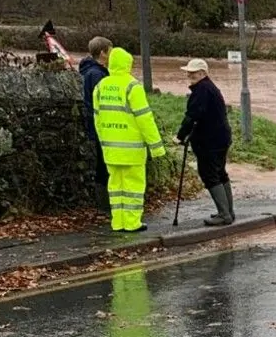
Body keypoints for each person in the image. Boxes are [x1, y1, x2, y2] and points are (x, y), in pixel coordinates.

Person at [93, 47, 167, 232]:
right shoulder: (133, 86)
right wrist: (157, 147)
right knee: (133, 187)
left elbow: (97, 119)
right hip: (132, 150)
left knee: (115, 187)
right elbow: (145, 118)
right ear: (128, 64)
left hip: (110, 149)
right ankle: (132, 223)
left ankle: (117, 222)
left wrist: (104, 143)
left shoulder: (101, 86)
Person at [174, 59, 235, 226]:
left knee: (209, 174)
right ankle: (228, 212)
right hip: (221, 138)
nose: (189, 75)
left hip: (210, 141)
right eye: (188, 72)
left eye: (193, 73)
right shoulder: (210, 88)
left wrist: (180, 136)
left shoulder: (201, 90)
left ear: (203, 73)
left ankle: (224, 215)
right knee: (220, 172)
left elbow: (192, 116)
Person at [79, 36, 112, 215]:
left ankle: (103, 204)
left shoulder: (88, 71)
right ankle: (105, 206)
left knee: (102, 163)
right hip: (101, 126)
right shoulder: (97, 74)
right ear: (103, 53)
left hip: (95, 124)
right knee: (104, 165)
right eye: (110, 51)